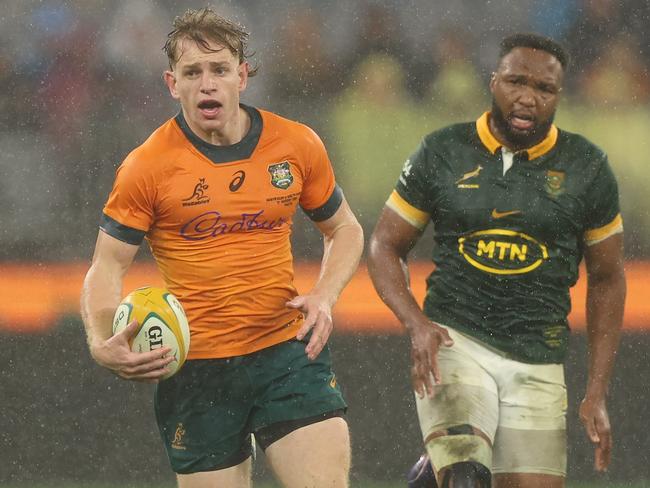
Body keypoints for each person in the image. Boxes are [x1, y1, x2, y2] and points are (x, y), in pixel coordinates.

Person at [80, 8, 363, 488]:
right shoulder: (147, 166)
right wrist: (100, 342)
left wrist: (324, 296)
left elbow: (346, 230)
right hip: (195, 371)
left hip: (285, 352)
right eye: (192, 72)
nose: (207, 83)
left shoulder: (295, 144)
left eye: (219, 69)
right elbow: (106, 266)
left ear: (243, 76)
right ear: (173, 83)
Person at [368, 33, 626, 488]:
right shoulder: (443, 151)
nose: (528, 97)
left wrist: (597, 390)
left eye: (544, 89)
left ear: (559, 95)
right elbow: (385, 245)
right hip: (455, 341)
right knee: (467, 475)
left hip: (538, 354)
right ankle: (451, 469)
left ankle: (428, 478)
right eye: (515, 82)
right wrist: (416, 323)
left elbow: (607, 278)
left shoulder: (587, 167)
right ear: (493, 82)